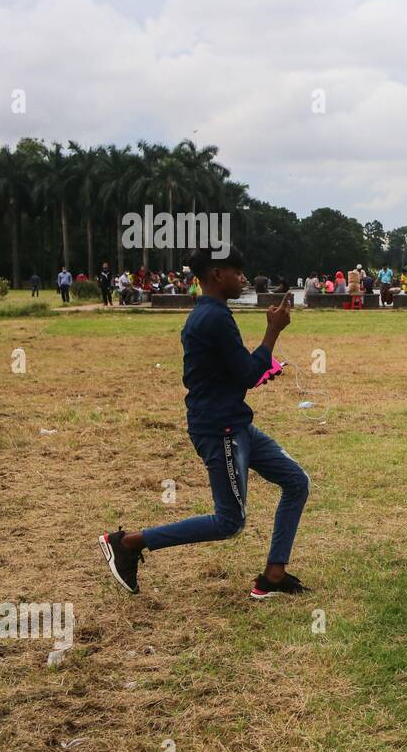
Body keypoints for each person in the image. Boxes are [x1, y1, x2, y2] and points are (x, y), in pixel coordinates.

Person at [98, 247, 311, 601]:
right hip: (221, 430)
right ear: (217, 274)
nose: (243, 278)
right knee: (229, 522)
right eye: (237, 272)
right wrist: (272, 332)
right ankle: (128, 542)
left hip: (235, 423)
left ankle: (274, 576)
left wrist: (260, 370)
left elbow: (231, 371)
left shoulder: (211, 314)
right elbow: (244, 373)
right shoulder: (213, 318)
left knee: (296, 481)